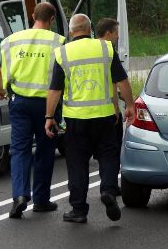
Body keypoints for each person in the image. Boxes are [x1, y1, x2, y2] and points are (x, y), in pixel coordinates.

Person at [44, 14, 134, 223]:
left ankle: (78, 210)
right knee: (108, 156)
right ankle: (109, 191)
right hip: (104, 117)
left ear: (71, 31)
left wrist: (49, 116)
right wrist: (129, 105)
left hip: (75, 120)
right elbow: (122, 81)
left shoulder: (62, 53)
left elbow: (55, 89)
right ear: (90, 29)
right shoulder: (105, 48)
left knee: (77, 164)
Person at [0, 2, 65, 218]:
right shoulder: (59, 42)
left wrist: (0, 92)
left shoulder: (11, 41)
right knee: (44, 152)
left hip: (20, 103)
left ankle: (19, 196)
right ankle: (41, 200)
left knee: (19, 150)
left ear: (32, 15)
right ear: (52, 19)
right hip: (48, 105)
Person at [95, 17, 126, 195]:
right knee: (111, 151)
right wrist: (122, 105)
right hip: (107, 110)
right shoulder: (108, 51)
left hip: (85, 112)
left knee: (99, 153)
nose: (117, 37)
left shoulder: (87, 51)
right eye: (116, 33)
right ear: (108, 33)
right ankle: (110, 187)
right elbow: (117, 83)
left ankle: (106, 184)